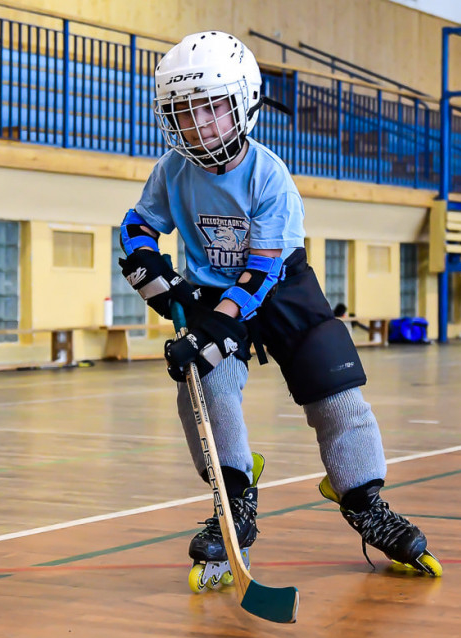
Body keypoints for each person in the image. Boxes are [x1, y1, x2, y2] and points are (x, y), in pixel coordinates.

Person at [117, 32, 440, 588]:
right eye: (183, 114)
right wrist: (163, 286)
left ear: (243, 103)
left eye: (210, 109)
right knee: (205, 385)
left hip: (282, 287)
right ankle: (235, 497)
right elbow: (137, 229)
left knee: (335, 391)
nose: (198, 126)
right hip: (211, 289)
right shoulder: (172, 170)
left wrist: (215, 327)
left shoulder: (271, 178)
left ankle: (363, 498)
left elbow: (262, 272)